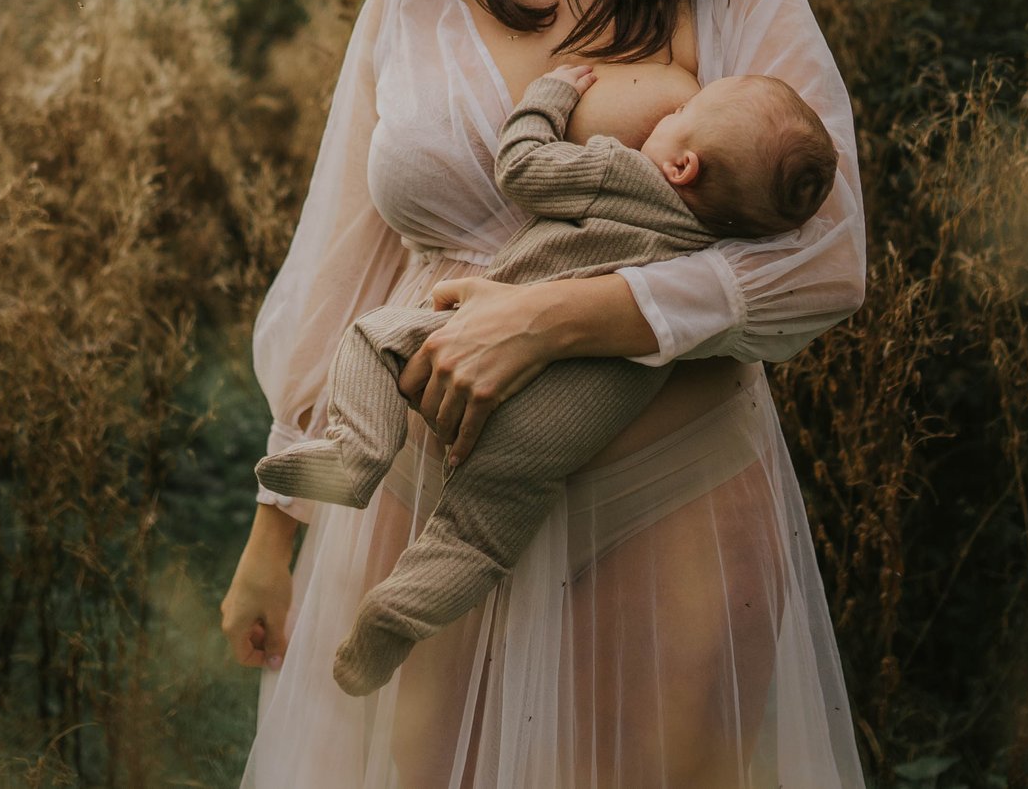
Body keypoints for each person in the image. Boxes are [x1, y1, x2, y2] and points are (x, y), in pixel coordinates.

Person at [221, 0, 870, 789]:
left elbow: (826, 261)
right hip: (421, 494)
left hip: (669, 489)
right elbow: (344, 265)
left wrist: (558, 318)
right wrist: (276, 529)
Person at [254, 60, 837, 695]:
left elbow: (522, 167)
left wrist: (549, 95)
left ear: (682, 166)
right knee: (476, 539)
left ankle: (356, 452)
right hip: (564, 432)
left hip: (469, 335)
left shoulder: (623, 173)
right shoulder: (718, 253)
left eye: (676, 119)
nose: (664, 117)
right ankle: (395, 615)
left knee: (374, 336)